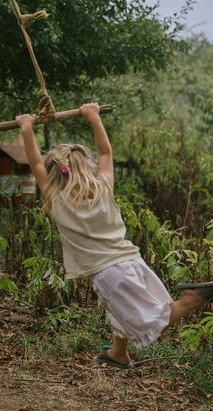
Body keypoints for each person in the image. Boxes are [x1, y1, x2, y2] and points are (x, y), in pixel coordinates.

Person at [16, 103, 213, 368]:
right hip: (132, 260)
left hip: (110, 273)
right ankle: (118, 354)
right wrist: (93, 116)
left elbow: (34, 162)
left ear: (54, 174)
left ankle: (191, 299)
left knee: (154, 322)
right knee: (121, 312)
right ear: (87, 166)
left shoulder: (56, 198)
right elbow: (106, 152)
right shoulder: (103, 187)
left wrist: (27, 128)